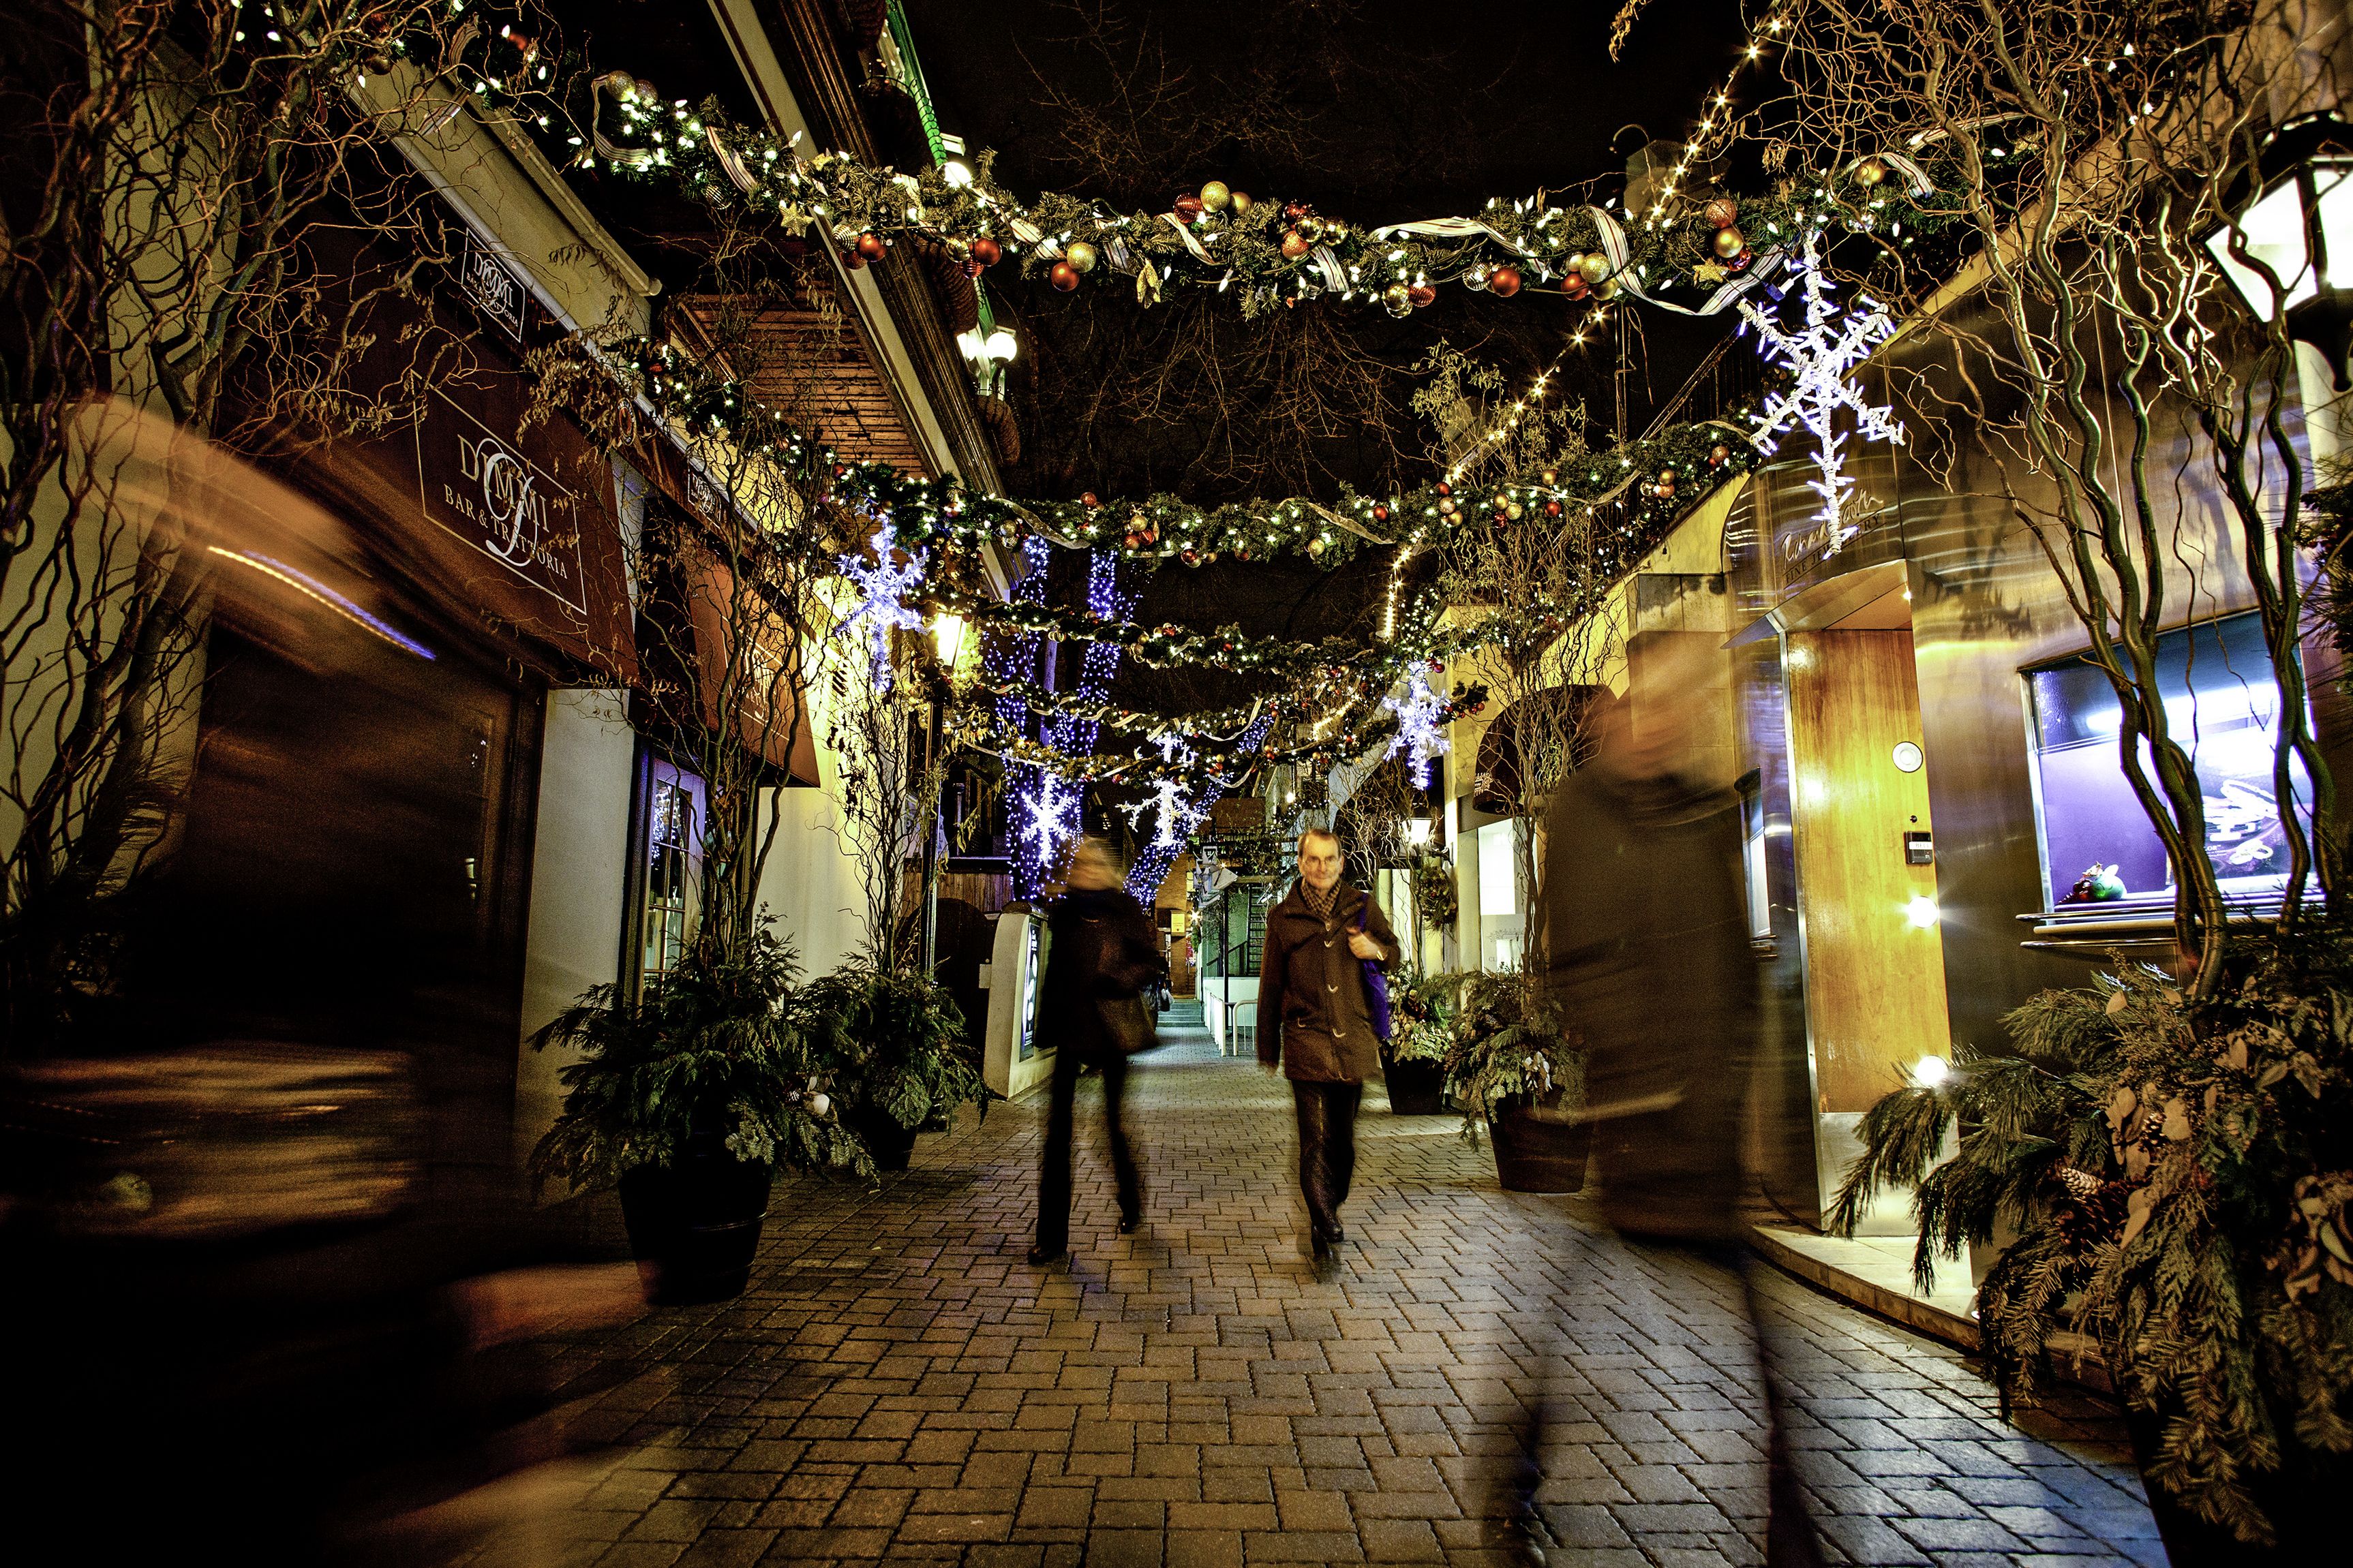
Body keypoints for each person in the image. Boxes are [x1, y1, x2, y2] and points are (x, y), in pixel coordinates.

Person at [1536, 660, 1825, 1567]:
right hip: (1635, 1106)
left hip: (1703, 1109)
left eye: (1679, 707)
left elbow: (1738, 958)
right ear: (1615, 721)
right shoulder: (1579, 815)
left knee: (1762, 1329)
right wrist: (1631, 1059)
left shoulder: (1708, 810)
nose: (1662, 725)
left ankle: (1791, 1514)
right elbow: (1573, 950)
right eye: (1647, 709)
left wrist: (1739, 1077)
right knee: (1567, 1304)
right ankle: (1519, 1455)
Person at [1256, 826, 1400, 1257]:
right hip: (1307, 1039)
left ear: (1341, 861)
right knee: (1315, 1139)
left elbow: (1394, 953)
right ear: (1301, 863)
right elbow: (1272, 983)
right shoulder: (1283, 918)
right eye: (1313, 859)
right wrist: (1268, 1045)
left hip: (1352, 1040)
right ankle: (1323, 1216)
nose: (1322, 867)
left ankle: (1327, 1209)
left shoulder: (1362, 907)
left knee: (1343, 1143)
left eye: (1330, 859)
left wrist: (1373, 948)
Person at [1029, 836, 1164, 1267]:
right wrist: (1045, 1026)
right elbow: (1054, 972)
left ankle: (1131, 1200)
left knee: (1112, 1126)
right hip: (1071, 1029)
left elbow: (1151, 962)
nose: (1085, 869)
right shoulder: (1065, 912)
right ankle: (1051, 1238)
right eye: (1079, 863)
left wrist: (1120, 980)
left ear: (1106, 870)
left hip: (1110, 1030)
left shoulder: (1124, 910)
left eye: (1093, 863)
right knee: (1057, 1136)